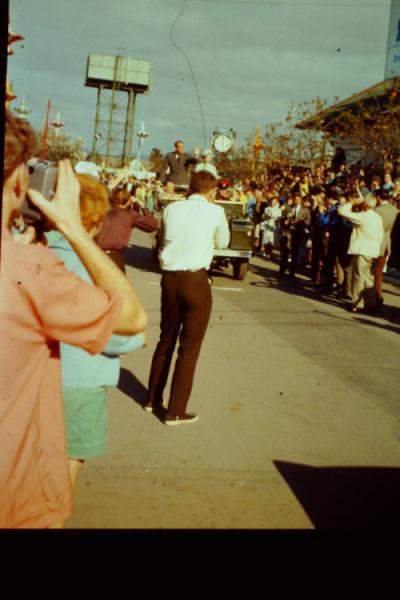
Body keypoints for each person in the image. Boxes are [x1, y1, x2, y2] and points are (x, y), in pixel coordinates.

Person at [0, 111, 147, 529]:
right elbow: (132, 322)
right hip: (17, 493)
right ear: (17, 183)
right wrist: (74, 230)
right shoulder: (34, 268)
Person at [45, 174, 146, 507]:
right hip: (79, 383)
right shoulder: (93, 268)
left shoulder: (31, 252)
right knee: (60, 484)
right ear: (94, 220)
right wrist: (135, 342)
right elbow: (121, 336)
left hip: (33, 380)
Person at [145, 171, 230, 425]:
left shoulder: (172, 208)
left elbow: (166, 235)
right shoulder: (216, 212)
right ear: (211, 190)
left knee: (166, 338)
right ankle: (175, 410)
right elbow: (223, 243)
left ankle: (152, 399)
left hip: (170, 277)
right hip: (196, 279)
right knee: (189, 348)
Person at [338, 194, 384, 312]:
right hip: (373, 251)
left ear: (365, 204)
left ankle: (358, 304)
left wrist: (351, 203)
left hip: (362, 250)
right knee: (369, 278)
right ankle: (372, 303)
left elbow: (342, 211)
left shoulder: (363, 216)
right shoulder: (378, 218)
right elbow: (381, 235)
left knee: (358, 277)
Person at [96, 187, 157, 272]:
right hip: (113, 256)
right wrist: (143, 208)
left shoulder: (102, 210)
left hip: (94, 252)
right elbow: (152, 226)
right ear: (128, 201)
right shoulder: (130, 215)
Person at [374, 189, 398, 308]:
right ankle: (378, 294)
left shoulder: (377, 211)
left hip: (377, 242)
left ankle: (376, 295)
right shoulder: (394, 210)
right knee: (379, 272)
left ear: (378, 198)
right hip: (388, 242)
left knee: (373, 272)